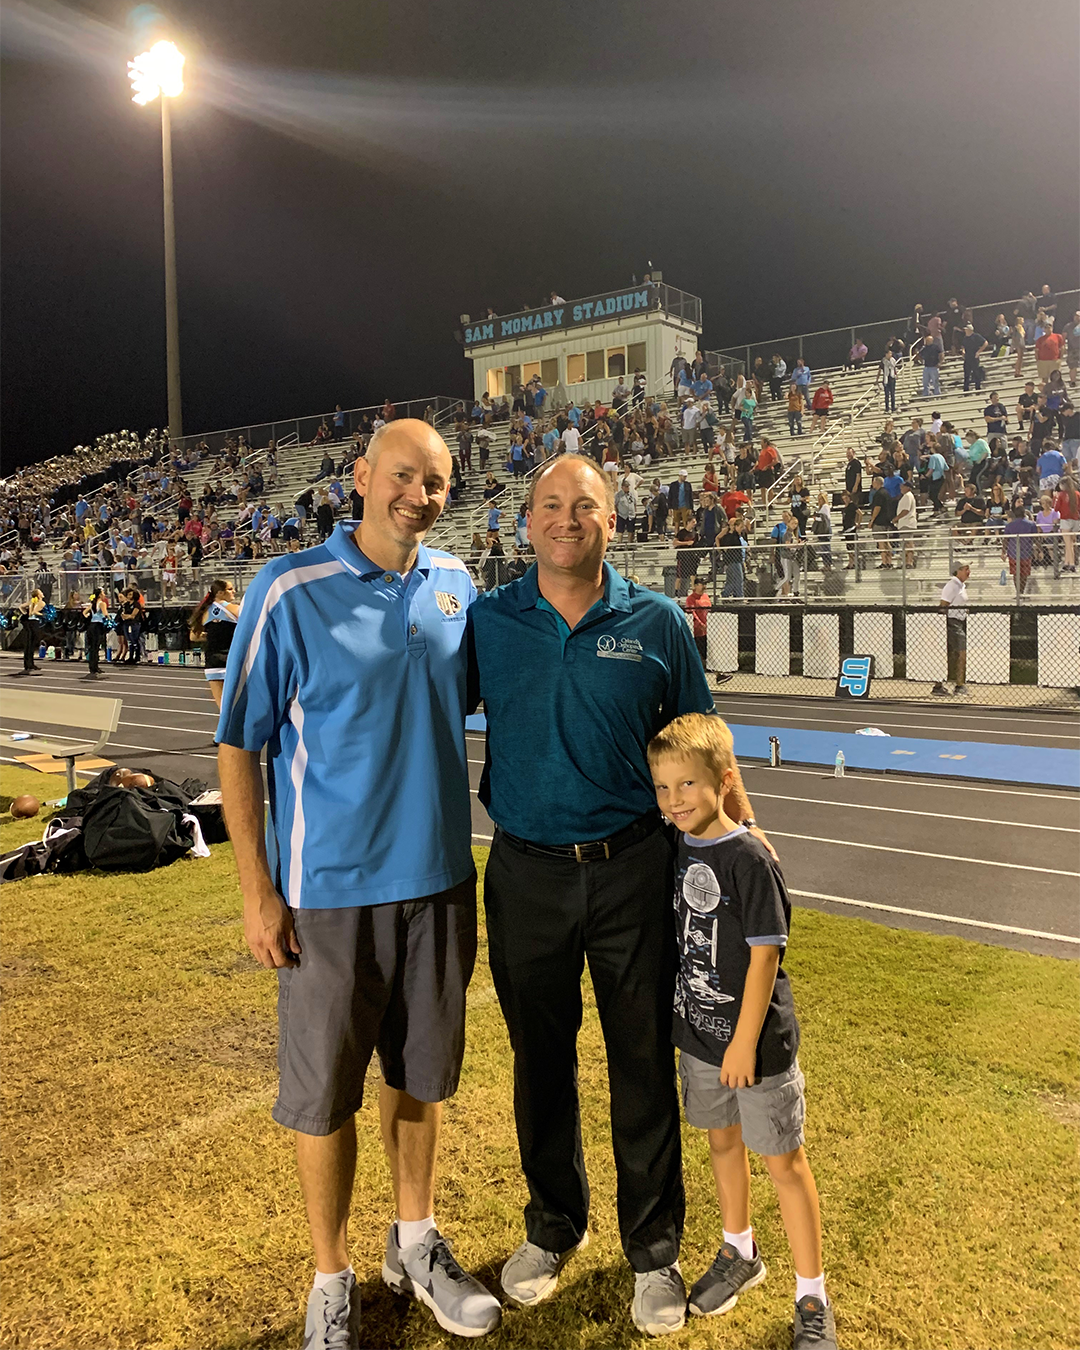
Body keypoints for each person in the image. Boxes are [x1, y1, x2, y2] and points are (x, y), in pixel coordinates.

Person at [467, 453, 774, 1338]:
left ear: (613, 519)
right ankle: (553, 1225)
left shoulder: (659, 620)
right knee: (540, 1059)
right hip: (525, 872)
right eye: (551, 505)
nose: (568, 519)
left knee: (642, 1059)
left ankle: (653, 1250)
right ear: (526, 522)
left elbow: (705, 741)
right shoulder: (488, 621)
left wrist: (746, 838)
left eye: (585, 506)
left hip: (637, 870)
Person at [215, 420, 500, 1348]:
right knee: (324, 1095)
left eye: (439, 481)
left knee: (421, 1080)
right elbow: (238, 745)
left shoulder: (458, 588)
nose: (421, 492)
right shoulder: (288, 588)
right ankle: (330, 1276)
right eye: (405, 475)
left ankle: (413, 1242)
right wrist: (259, 890)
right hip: (329, 892)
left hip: (440, 883)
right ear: (362, 476)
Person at [648, 714, 837, 1350]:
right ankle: (739, 1251)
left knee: (783, 1161)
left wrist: (741, 1043)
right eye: (664, 788)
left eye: (689, 786)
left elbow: (764, 957)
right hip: (700, 1038)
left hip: (753, 1047)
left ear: (724, 783)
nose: (675, 801)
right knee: (722, 1144)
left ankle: (811, 1295)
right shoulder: (679, 845)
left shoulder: (750, 859)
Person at [189, 579, 241, 708]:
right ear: (220, 593)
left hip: (213, 660)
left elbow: (193, 637)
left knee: (222, 706)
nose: (234, 591)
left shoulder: (204, 611)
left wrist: (213, 637)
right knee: (239, 701)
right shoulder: (236, 609)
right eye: (230, 589)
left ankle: (225, 728)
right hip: (233, 659)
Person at [933, 563, 970, 696]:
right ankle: (959, 686)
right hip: (952, 623)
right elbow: (943, 605)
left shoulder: (960, 585)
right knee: (960, 653)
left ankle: (940, 685)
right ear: (958, 571)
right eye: (966, 569)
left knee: (951, 655)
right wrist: (943, 626)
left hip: (959, 621)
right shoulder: (952, 585)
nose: (968, 572)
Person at [1003, 505, 1038, 594]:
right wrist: (1040, 550)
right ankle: (1021, 591)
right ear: (1024, 513)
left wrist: (1003, 551)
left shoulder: (1009, 526)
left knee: (1016, 574)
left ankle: (1018, 592)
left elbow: (1005, 540)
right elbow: (1035, 539)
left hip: (1013, 552)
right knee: (1024, 574)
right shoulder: (1031, 524)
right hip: (1026, 552)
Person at [685, 576, 712, 668]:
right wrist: (700, 624)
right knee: (701, 650)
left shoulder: (706, 596)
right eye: (702, 584)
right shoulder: (691, 598)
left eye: (705, 584)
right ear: (696, 586)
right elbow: (692, 613)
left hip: (708, 629)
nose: (704, 586)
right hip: (697, 630)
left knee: (708, 650)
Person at [868, 476, 894, 567]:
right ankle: (889, 561)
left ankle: (884, 561)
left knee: (881, 542)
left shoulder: (879, 494)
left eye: (873, 482)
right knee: (886, 541)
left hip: (879, 521)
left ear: (877, 483)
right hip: (887, 521)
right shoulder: (887, 493)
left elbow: (877, 508)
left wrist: (872, 520)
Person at [83, 588, 108, 679]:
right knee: (96, 646)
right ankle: (95, 667)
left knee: (92, 647)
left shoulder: (92, 604)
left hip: (91, 625)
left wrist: (89, 616)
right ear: (100, 595)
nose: (104, 594)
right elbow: (105, 614)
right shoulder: (102, 603)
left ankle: (92, 667)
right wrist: (110, 621)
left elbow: (84, 612)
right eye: (103, 593)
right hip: (98, 626)